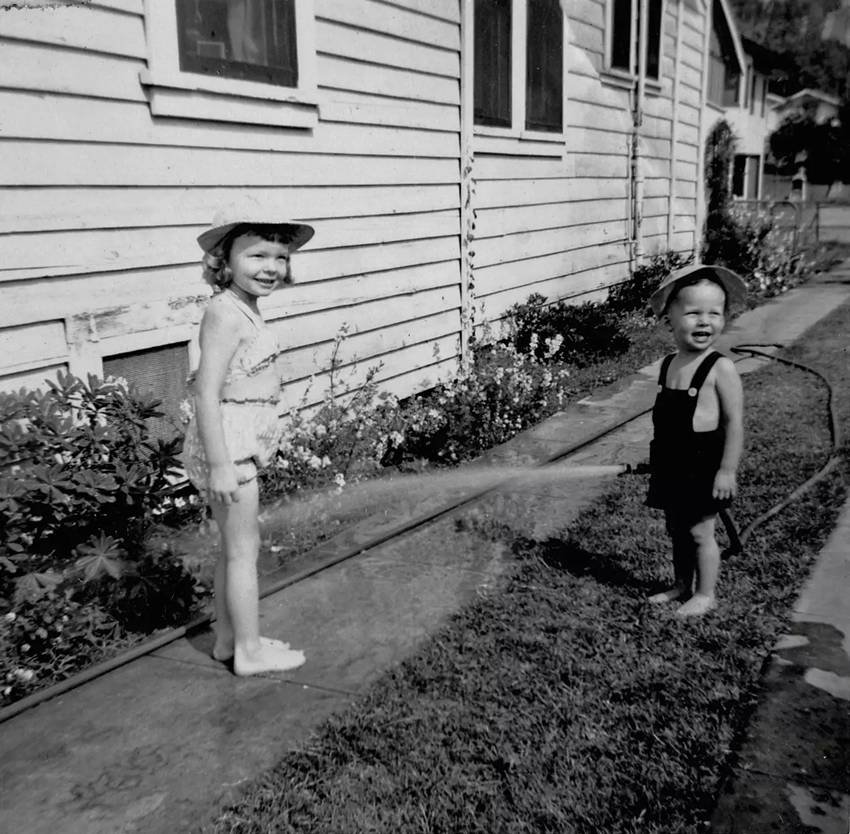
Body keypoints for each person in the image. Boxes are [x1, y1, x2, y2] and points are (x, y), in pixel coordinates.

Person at [181, 205, 314, 674]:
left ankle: (227, 639)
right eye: (257, 255)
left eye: (279, 257)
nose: (270, 267)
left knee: (232, 548)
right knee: (243, 551)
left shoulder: (243, 308)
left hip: (236, 444)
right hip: (229, 449)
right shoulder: (224, 312)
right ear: (224, 260)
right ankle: (250, 653)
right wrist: (219, 464)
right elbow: (205, 391)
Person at [645, 263, 746, 617]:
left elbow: (734, 424)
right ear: (668, 317)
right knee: (677, 530)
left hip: (703, 465)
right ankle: (680, 585)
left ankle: (705, 593)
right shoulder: (668, 364)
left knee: (701, 531)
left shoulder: (721, 368)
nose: (705, 322)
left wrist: (726, 471)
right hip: (672, 464)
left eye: (714, 313)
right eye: (693, 313)